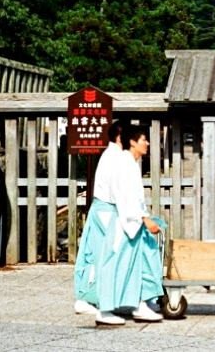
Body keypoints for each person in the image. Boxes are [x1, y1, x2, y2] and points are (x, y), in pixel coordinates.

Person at [73, 124, 165, 325]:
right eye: (142, 139)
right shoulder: (118, 159)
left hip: (119, 214)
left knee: (124, 261)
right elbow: (123, 195)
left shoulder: (121, 159)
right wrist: (142, 218)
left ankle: (138, 302)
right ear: (126, 139)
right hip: (115, 215)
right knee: (109, 261)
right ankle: (98, 302)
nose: (147, 143)